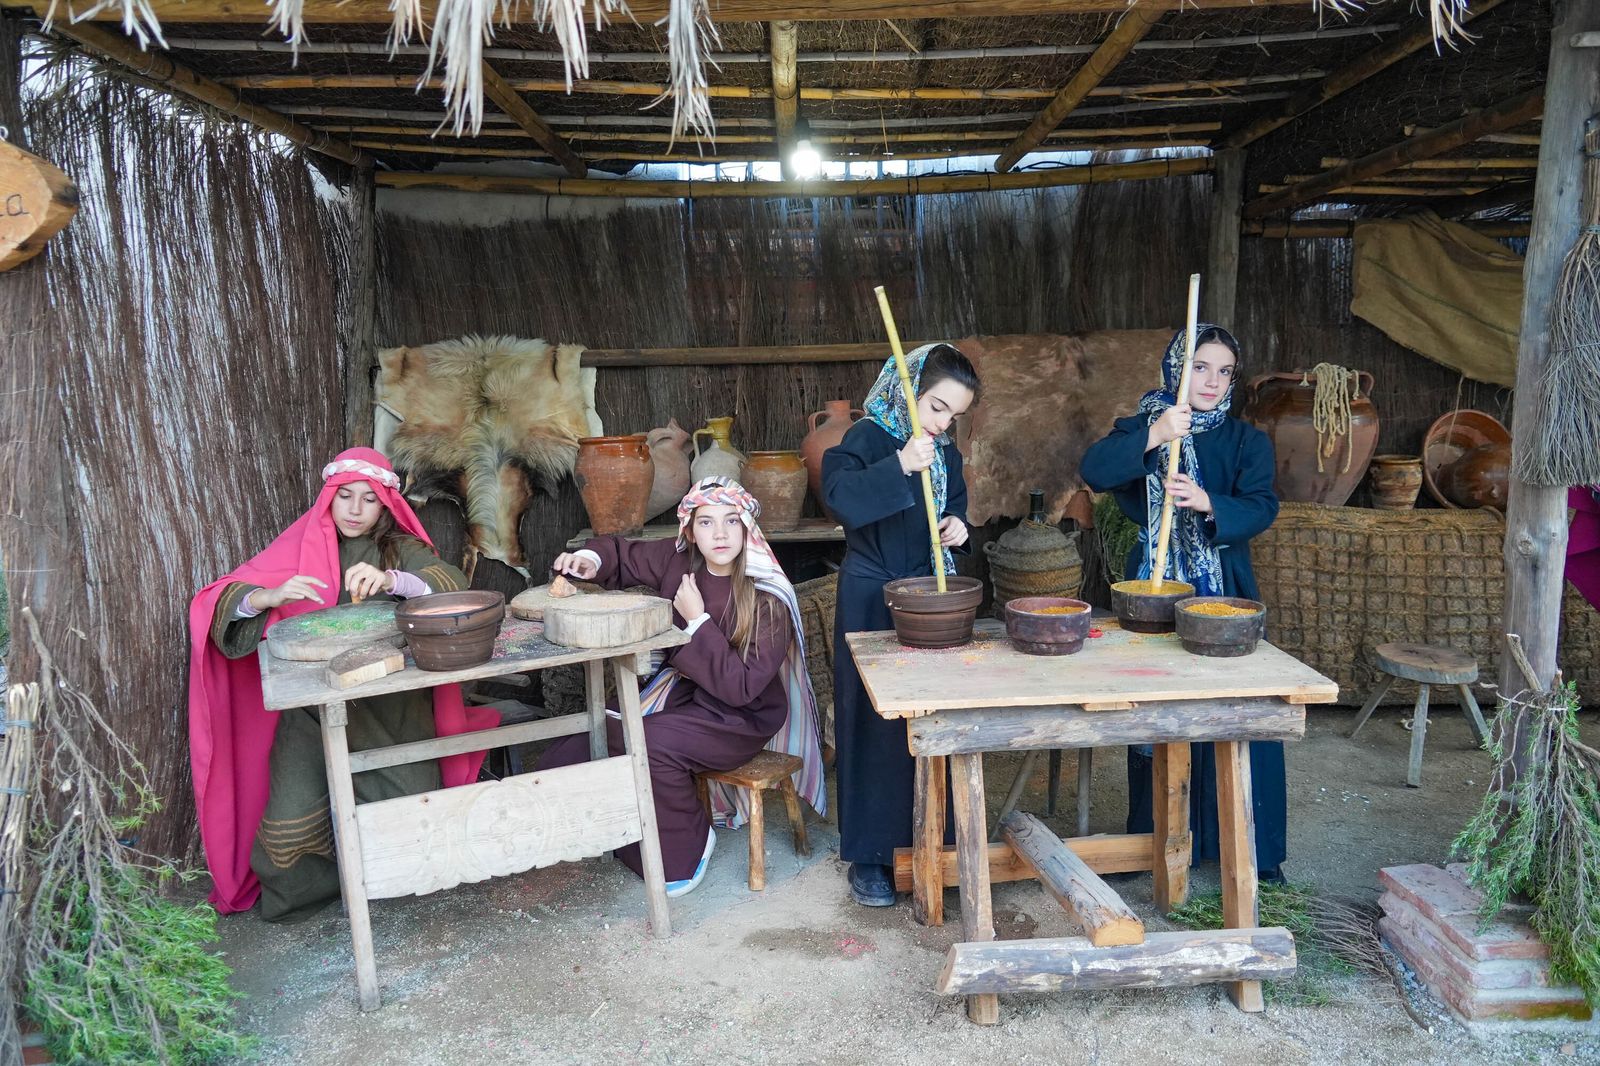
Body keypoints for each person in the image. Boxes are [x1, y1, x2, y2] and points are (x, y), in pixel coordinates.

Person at [188, 447, 499, 920]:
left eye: (369, 499)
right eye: (345, 496)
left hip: (387, 703)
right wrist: (266, 597)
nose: (355, 510)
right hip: (311, 704)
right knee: (291, 814)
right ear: (329, 497)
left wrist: (393, 579)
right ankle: (316, 892)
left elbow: (452, 584)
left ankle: (394, 884)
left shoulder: (398, 546)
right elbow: (218, 599)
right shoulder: (299, 545)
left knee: (406, 803)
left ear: (385, 504)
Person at [540, 476, 825, 898]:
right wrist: (589, 561)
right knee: (587, 739)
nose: (720, 533)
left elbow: (741, 687)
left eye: (731, 521)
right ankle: (616, 830)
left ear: (748, 528)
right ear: (690, 531)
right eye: (707, 522)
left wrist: (696, 621)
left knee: (648, 743)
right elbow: (621, 553)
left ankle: (685, 850)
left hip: (737, 716)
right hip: (683, 694)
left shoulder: (767, 598)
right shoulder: (679, 562)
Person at [1079, 325, 1286, 879]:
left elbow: (1263, 505)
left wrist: (1209, 501)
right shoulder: (1145, 425)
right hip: (1152, 592)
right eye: (1199, 367)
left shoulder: (1245, 441)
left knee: (1239, 709)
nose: (1213, 381)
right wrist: (1155, 434)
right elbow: (1094, 470)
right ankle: (1156, 841)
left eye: (1224, 371)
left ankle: (1254, 851)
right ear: (1176, 369)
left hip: (1224, 591)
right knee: (1156, 707)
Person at [823, 343, 981, 907]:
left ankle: (934, 846)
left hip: (929, 599)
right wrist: (899, 466)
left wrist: (957, 525)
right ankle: (870, 857)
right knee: (873, 724)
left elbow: (954, 504)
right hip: (871, 597)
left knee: (931, 719)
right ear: (907, 390)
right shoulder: (865, 438)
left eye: (953, 416)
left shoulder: (944, 452)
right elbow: (838, 497)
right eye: (936, 407)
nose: (942, 424)